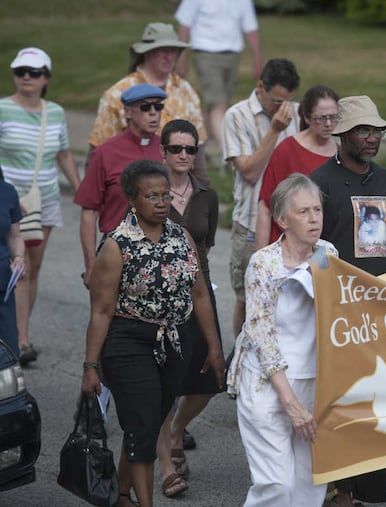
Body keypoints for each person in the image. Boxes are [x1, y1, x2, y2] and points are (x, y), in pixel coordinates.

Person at [80, 160, 225, 507]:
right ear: (132, 199)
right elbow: (100, 312)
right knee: (143, 427)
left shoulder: (182, 237)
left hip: (175, 343)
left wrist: (214, 347)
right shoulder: (116, 246)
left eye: (165, 195)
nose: (162, 203)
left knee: (149, 423)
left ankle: (122, 494)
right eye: (151, 196)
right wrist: (90, 365)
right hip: (128, 343)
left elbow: (200, 294)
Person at [310, 95, 386, 506]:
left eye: (377, 131)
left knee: (375, 395)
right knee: (341, 396)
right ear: (342, 136)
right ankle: (338, 485)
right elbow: (308, 248)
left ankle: (370, 486)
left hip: (377, 305)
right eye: (364, 131)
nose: (373, 138)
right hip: (334, 306)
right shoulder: (319, 182)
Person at [227, 173, 338, 507]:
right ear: (282, 220)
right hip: (266, 382)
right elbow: (261, 334)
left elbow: (337, 317)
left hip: (313, 379)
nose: (314, 218)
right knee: (275, 483)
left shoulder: (327, 254)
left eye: (317, 209)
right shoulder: (264, 263)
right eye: (303, 211)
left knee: (309, 480)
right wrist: (289, 400)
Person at [153, 120, 221, 497]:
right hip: (159, 299)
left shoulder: (207, 195)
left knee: (210, 378)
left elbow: (205, 246)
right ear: (162, 151)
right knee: (163, 383)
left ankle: (177, 428)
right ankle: (166, 465)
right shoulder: (150, 191)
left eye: (190, 150)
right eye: (176, 149)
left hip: (198, 295)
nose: (183, 156)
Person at [0, 47, 80, 366]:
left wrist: (81, 190)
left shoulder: (56, 113)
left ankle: (21, 336)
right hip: (6, 201)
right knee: (11, 267)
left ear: (46, 77)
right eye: (21, 72)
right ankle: (13, 338)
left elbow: (63, 154)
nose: (27, 78)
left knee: (30, 269)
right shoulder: (2, 108)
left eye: (34, 72)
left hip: (42, 202)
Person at [223, 57, 300, 339]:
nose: (283, 108)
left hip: (291, 225)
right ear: (260, 87)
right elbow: (250, 172)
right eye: (276, 101)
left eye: (288, 101)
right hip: (251, 223)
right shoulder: (236, 115)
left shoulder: (298, 113)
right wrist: (275, 130)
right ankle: (241, 358)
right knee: (247, 298)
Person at [87, 22, 208, 182]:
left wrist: (203, 189)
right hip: (133, 190)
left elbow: (197, 145)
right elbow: (97, 151)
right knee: (135, 209)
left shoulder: (185, 91)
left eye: (173, 51)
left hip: (178, 189)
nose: (169, 56)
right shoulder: (118, 93)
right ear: (146, 53)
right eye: (162, 51)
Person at [75, 83, 166, 288]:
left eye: (158, 107)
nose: (153, 113)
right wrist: (90, 265)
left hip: (160, 249)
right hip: (116, 250)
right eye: (145, 108)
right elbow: (89, 212)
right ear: (127, 112)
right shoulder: (105, 153)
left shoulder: (166, 150)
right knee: (107, 316)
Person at [255, 84, 339, 249]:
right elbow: (265, 207)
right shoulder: (287, 150)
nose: (328, 124)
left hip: (323, 249)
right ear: (307, 118)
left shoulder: (341, 153)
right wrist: (260, 257)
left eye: (334, 117)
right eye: (321, 118)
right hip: (286, 248)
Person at [175, 0, 263, 150]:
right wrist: (181, 58)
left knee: (218, 106)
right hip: (206, 53)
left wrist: (257, 58)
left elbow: (250, 27)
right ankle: (230, 154)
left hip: (233, 55)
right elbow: (184, 26)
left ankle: (204, 146)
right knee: (218, 104)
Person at [0, 178, 26, 357]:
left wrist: (18, 257)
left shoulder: (8, 191)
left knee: (10, 351)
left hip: (2, 287)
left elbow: (15, 236)